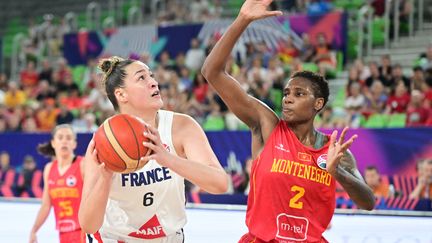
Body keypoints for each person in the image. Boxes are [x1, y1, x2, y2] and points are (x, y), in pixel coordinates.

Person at [201, 1, 375, 242]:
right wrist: (243, 20)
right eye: (286, 94)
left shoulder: (335, 152)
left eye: (299, 94)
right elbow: (212, 72)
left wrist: (338, 174)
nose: (288, 100)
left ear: (318, 104)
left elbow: (368, 202)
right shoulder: (267, 125)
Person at [79, 56, 229, 242]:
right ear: (121, 95)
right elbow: (88, 224)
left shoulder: (181, 126)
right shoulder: (104, 142)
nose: (153, 82)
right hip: (115, 238)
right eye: (142, 78)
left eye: (151, 76)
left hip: (168, 238)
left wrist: (167, 158)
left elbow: (221, 184)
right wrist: (105, 178)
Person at [29, 124, 85, 243]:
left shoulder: (82, 165)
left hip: (83, 231)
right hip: (63, 232)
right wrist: (34, 230)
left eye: (69, 138)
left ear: (74, 144)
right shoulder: (49, 169)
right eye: (60, 137)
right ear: (53, 142)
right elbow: (45, 205)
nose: (64, 141)